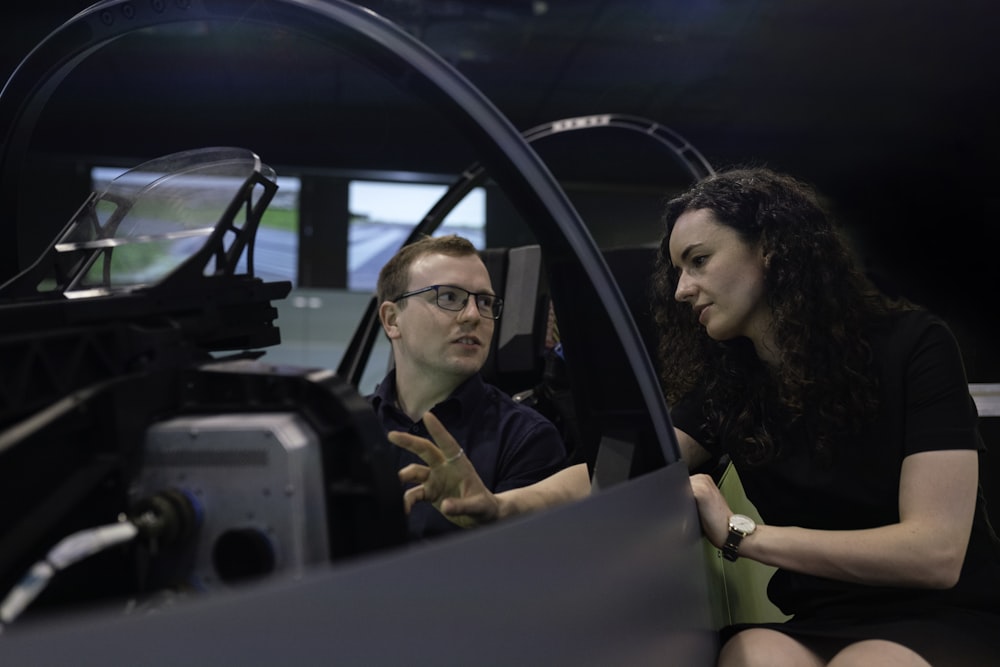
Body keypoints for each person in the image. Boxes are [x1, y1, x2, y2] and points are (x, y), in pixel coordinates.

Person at [389, 168, 1000, 666]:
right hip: (820, 619)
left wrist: (742, 535)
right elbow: (611, 473)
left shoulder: (912, 345)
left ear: (772, 250)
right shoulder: (731, 382)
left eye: (699, 261)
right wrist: (501, 506)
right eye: (678, 269)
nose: (682, 289)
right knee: (751, 653)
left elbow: (935, 554)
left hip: (938, 613)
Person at [370, 233, 567, 540]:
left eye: (485, 301)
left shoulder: (527, 439)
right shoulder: (347, 428)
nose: (474, 315)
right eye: (448, 297)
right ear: (392, 320)